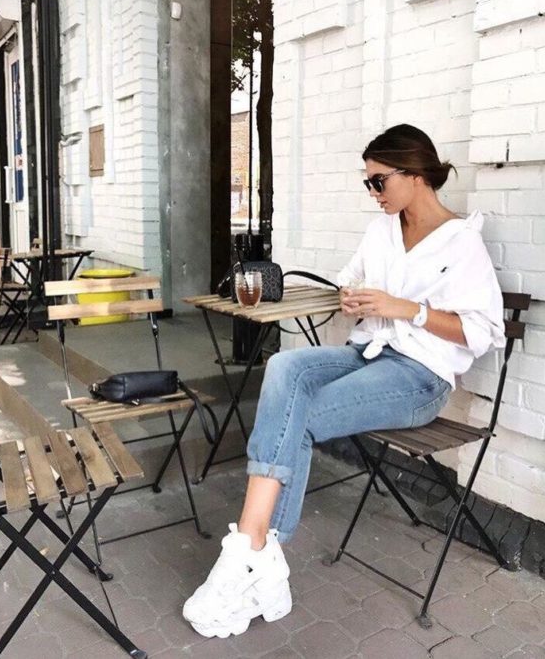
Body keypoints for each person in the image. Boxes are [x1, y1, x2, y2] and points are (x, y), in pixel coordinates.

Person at [182, 123, 506, 639]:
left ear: (415, 174)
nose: (372, 193)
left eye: (379, 181)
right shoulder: (382, 230)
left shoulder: (463, 242)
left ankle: (251, 550)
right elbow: (348, 281)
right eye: (368, 183)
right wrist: (349, 298)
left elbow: (484, 332)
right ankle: (257, 552)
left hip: (418, 376)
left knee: (300, 416)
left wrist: (410, 310)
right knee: (284, 367)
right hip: (366, 352)